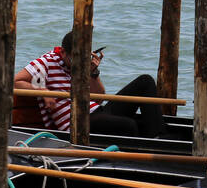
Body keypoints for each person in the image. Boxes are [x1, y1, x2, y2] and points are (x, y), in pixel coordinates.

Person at [14, 30, 163, 137]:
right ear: (64, 52)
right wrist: (43, 91)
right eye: (74, 58)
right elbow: (15, 81)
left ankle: (159, 137)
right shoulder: (46, 62)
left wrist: (93, 73)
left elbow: (98, 98)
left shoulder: (82, 64)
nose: (78, 63)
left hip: (95, 111)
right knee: (129, 125)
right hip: (76, 121)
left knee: (145, 81)